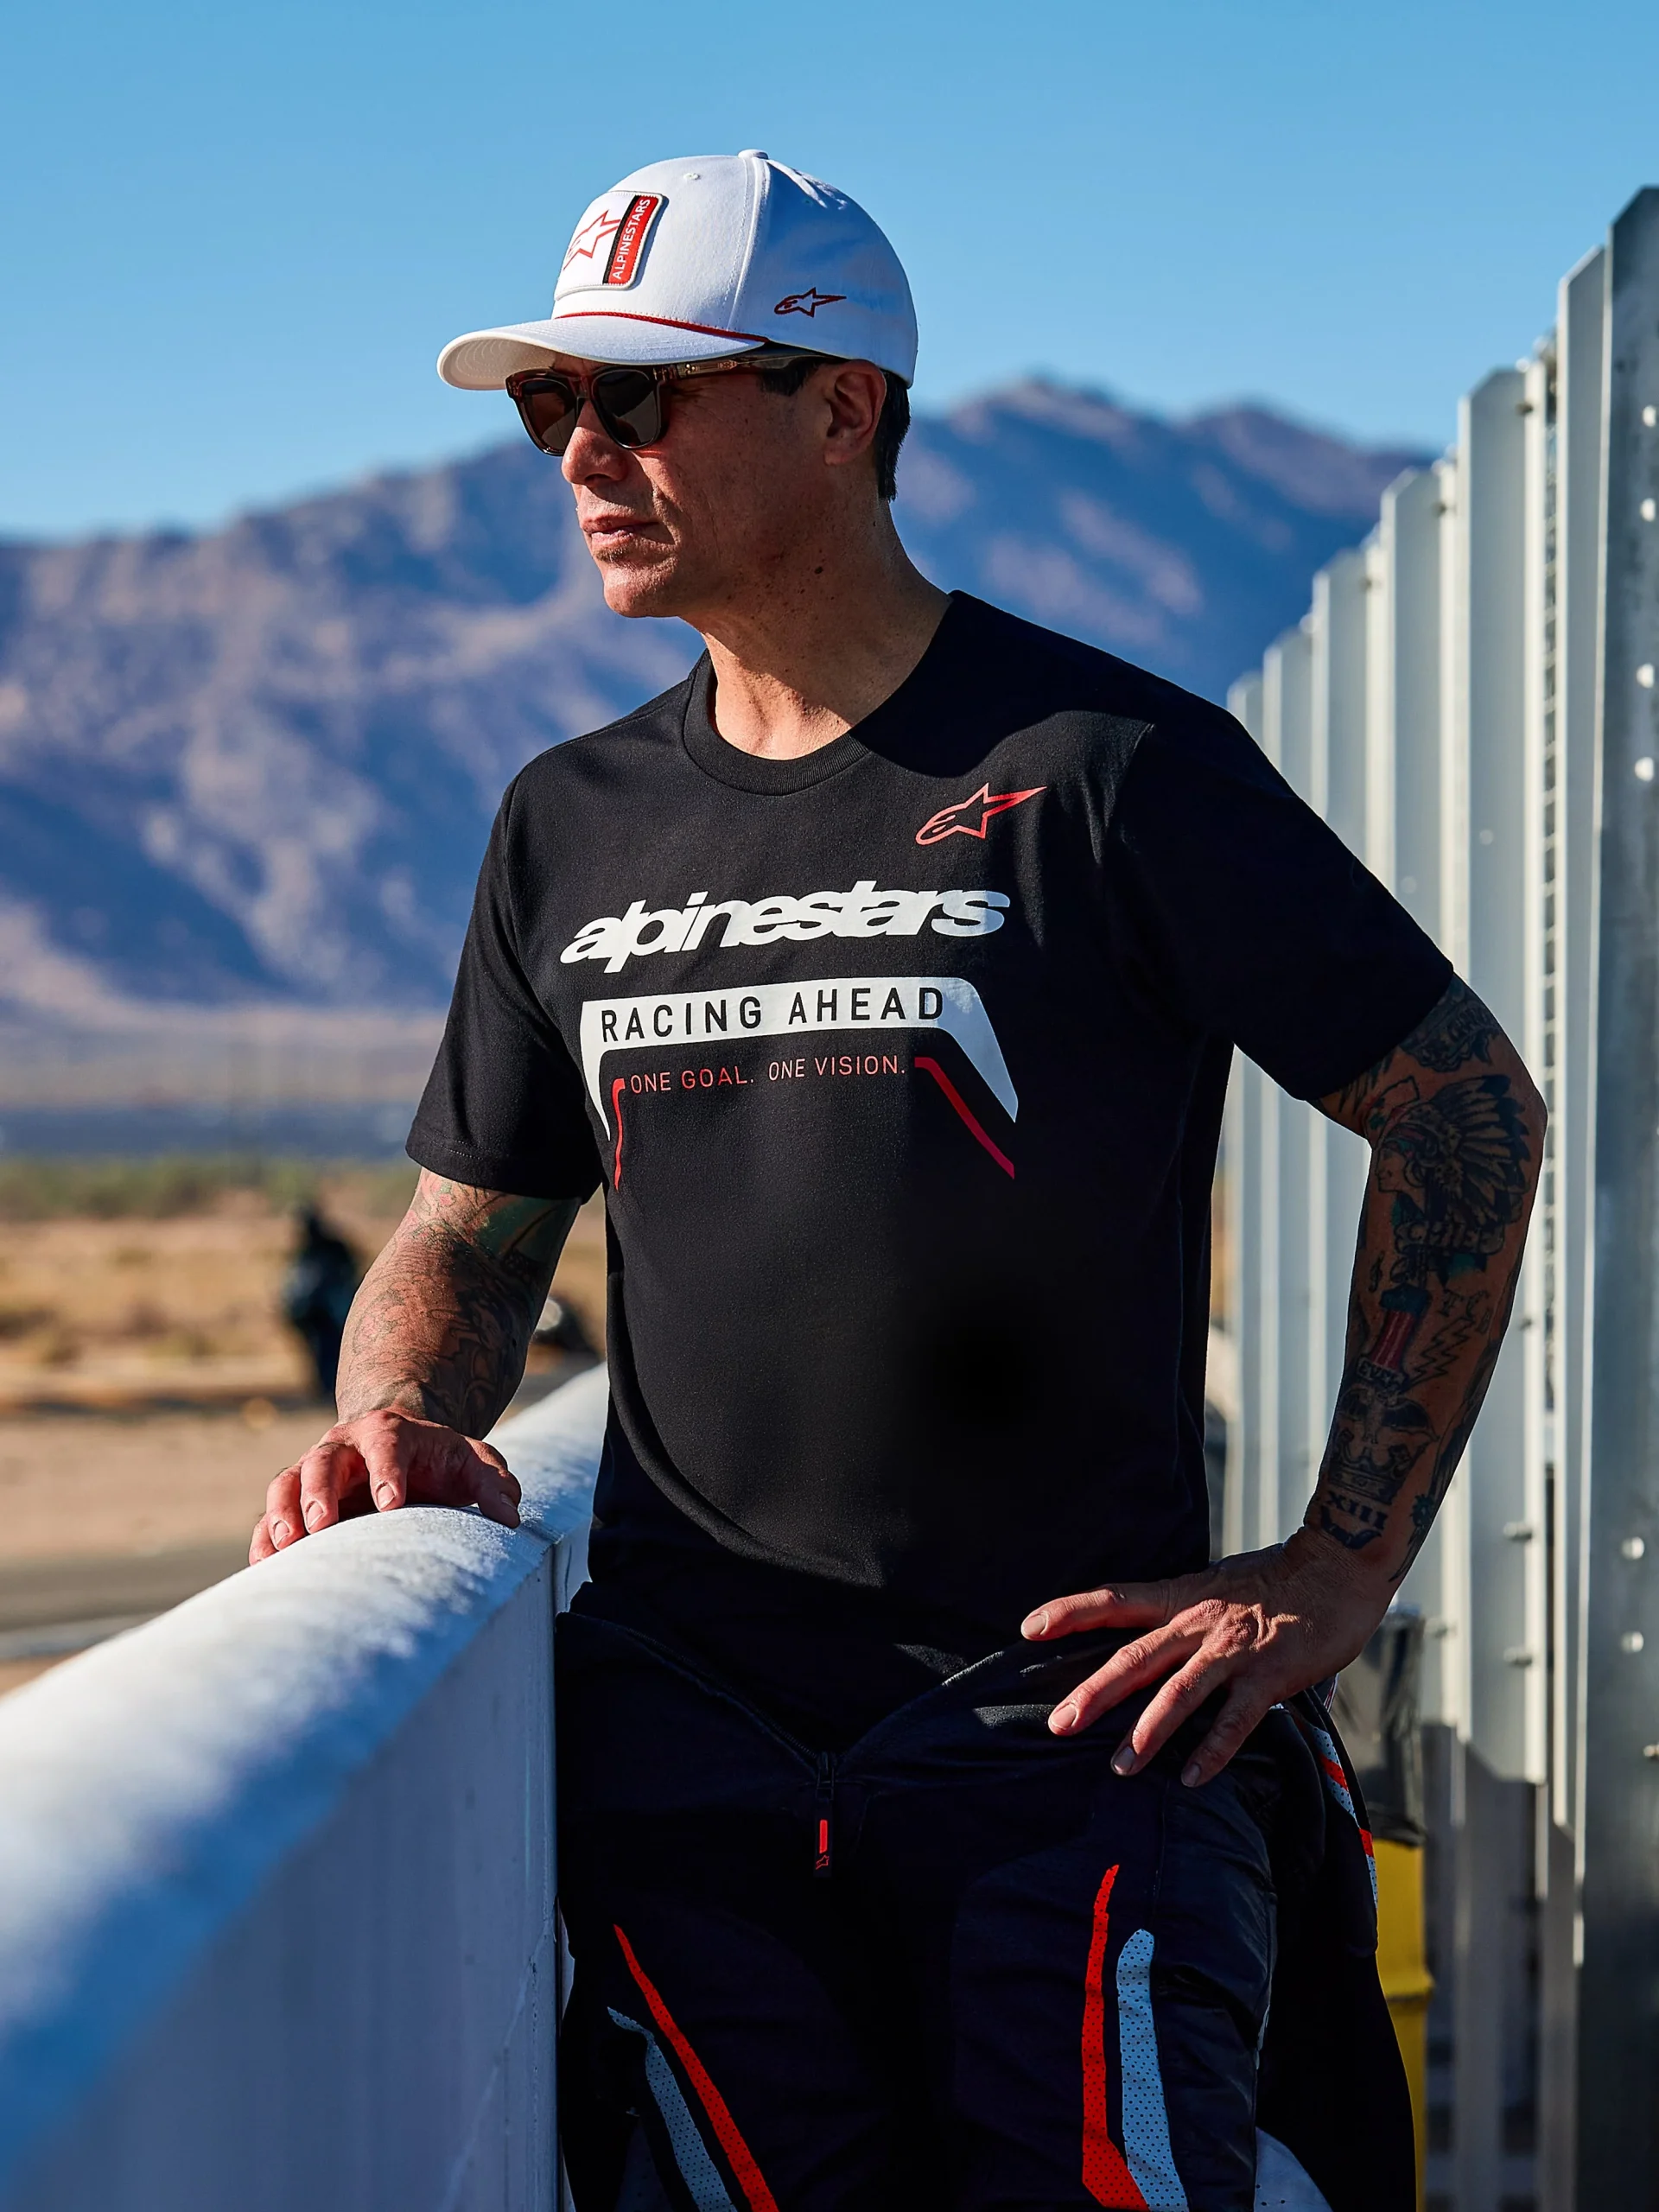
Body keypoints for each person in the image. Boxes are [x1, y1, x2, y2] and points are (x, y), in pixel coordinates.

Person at [250, 152, 1543, 2210]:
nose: (580, 451)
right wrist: (396, 1405)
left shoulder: (1108, 764)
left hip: (1070, 1728)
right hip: (685, 1755)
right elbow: (467, 1234)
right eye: (551, 404)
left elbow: (1462, 1108)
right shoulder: (566, 820)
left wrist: (1338, 1565)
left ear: (842, 406)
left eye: (638, 396)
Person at [278, 1204, 359, 1401]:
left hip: (328, 1311)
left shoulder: (325, 1249)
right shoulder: (312, 1250)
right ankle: (327, 1387)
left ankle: (330, 1387)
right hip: (316, 1311)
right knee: (324, 1351)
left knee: (329, 1350)